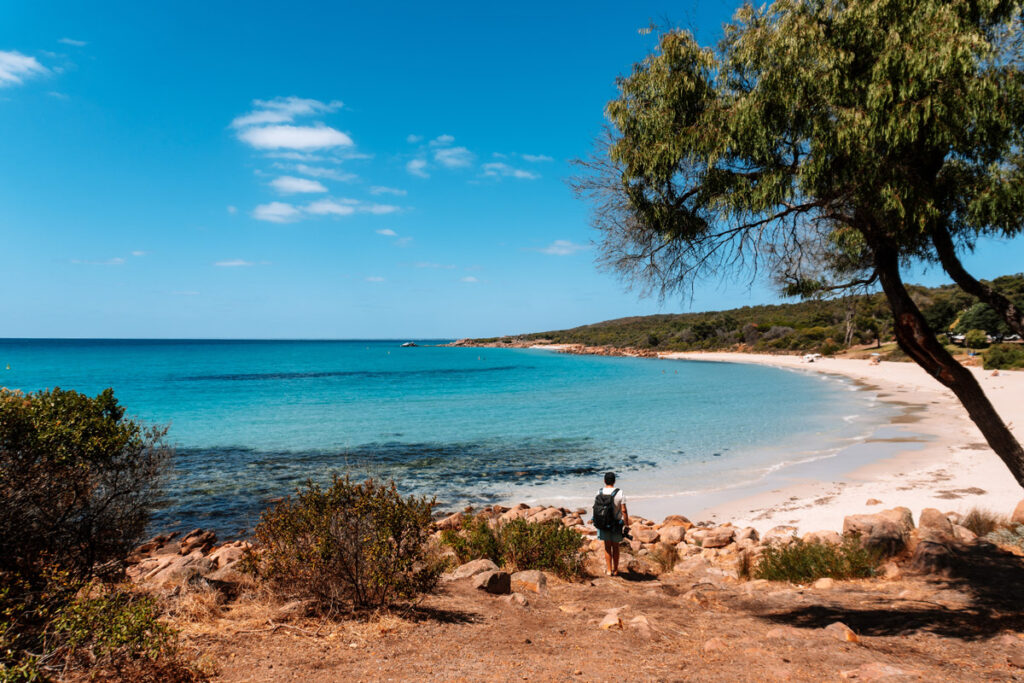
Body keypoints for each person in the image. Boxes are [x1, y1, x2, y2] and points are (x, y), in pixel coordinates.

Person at [596, 471, 629, 576]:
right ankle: (616, 570)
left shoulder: (599, 492)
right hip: (616, 524)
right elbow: (623, 510)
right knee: (615, 547)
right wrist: (626, 524)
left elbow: (597, 509)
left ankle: (609, 570)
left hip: (603, 523)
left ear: (604, 481)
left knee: (607, 546)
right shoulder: (620, 493)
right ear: (614, 481)